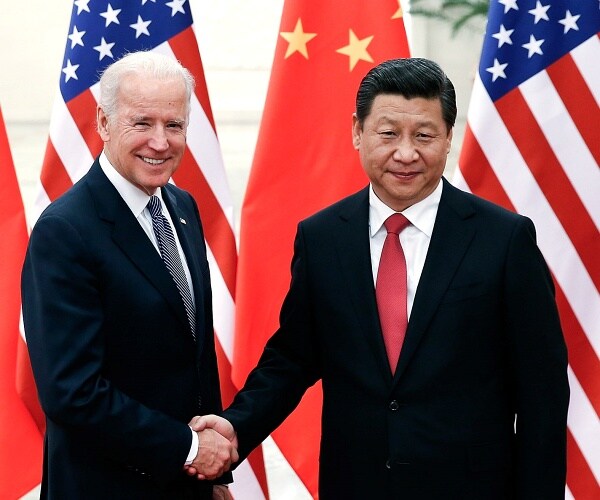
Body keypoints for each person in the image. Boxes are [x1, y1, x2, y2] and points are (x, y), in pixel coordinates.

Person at [192, 58, 569, 499]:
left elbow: (542, 393)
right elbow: (293, 359)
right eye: (388, 133)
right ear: (357, 131)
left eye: (424, 135)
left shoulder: (504, 240)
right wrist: (236, 427)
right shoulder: (322, 237)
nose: (405, 153)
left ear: (448, 138)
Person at [21, 51, 237, 500]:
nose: (160, 142)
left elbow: (193, 356)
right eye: (142, 123)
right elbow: (72, 392)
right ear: (103, 122)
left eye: (174, 125)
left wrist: (211, 478)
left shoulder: (183, 208)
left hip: (185, 485)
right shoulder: (66, 230)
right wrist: (191, 448)